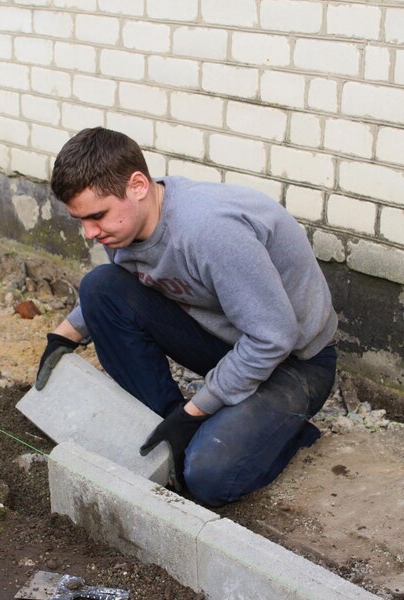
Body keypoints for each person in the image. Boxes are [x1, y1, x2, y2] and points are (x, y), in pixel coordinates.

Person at [35, 127, 338, 507]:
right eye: (80, 220)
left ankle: (285, 433)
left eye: (97, 217)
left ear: (138, 186)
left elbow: (273, 337)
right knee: (99, 287)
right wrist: (64, 335)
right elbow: (118, 289)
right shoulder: (126, 228)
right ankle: (166, 433)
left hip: (294, 362)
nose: (89, 233)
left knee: (207, 477)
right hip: (228, 344)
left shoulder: (209, 231)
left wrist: (195, 412)